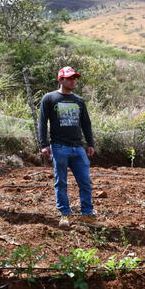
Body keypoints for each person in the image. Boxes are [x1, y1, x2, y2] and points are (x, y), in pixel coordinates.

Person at [39, 66, 102, 229]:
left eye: (74, 78)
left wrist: (90, 143)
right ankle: (64, 214)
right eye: (69, 78)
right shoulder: (49, 98)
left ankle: (87, 215)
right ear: (61, 80)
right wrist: (44, 144)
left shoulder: (79, 101)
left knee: (85, 182)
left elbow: (86, 124)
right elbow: (42, 122)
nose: (73, 81)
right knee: (61, 182)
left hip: (78, 147)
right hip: (59, 146)